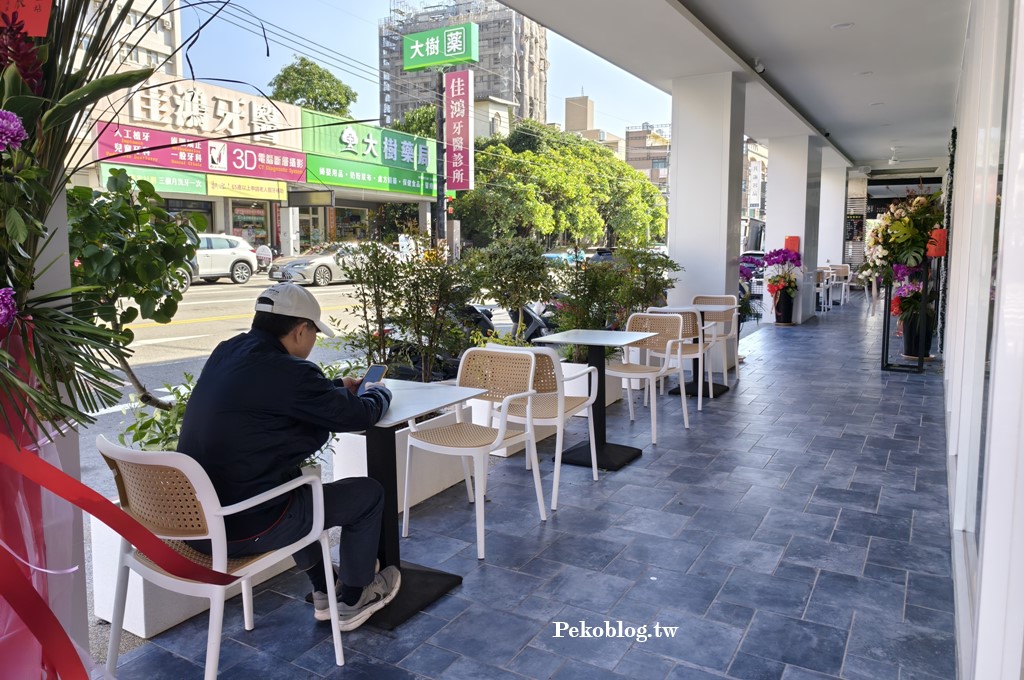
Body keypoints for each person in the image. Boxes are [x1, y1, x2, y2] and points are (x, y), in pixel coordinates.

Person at [177, 282, 399, 632]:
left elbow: (274, 398)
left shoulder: (228, 351)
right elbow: (359, 416)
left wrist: (336, 387)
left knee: (295, 481)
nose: (313, 342)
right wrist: (378, 394)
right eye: (314, 334)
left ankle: (325, 589)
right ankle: (356, 596)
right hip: (243, 529)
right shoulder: (291, 372)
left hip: (194, 524)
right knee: (368, 495)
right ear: (300, 330)